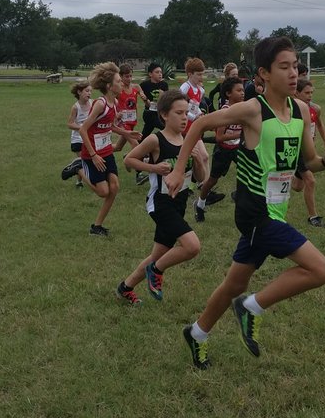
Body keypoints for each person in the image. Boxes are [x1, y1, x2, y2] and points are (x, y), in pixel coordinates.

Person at [165, 36, 325, 370]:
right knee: (321, 269)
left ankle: (198, 333)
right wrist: (179, 170)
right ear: (263, 73)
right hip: (255, 212)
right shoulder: (252, 110)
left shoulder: (301, 110)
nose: (293, 73)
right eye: (284, 67)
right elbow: (200, 123)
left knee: (235, 282)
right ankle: (251, 308)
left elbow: (308, 163)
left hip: (276, 208)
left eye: (295, 66)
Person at [116, 91, 207, 306]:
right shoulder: (155, 139)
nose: (185, 118)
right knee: (192, 246)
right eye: (179, 113)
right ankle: (155, 271)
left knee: (157, 255)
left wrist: (198, 161)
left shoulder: (187, 141)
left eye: (186, 113)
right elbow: (129, 160)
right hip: (160, 204)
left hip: (179, 204)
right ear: (164, 115)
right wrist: (153, 167)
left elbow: (200, 178)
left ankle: (125, 287)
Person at [79, 61, 135, 236]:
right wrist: (94, 155)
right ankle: (78, 170)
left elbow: (108, 126)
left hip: (106, 152)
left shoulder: (115, 103)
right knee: (103, 192)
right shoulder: (100, 104)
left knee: (115, 187)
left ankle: (97, 227)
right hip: (92, 154)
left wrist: (127, 134)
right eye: (119, 81)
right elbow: (83, 129)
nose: (121, 84)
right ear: (110, 86)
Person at [194, 76, 243, 221]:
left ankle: (240, 196)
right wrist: (240, 133)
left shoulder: (243, 108)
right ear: (228, 93)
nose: (242, 93)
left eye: (243, 90)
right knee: (212, 180)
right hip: (223, 150)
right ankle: (200, 205)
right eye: (238, 90)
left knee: (249, 175)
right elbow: (220, 137)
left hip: (238, 148)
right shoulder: (225, 111)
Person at [294, 78, 325, 225]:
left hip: (307, 151)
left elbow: (320, 125)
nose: (310, 96)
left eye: (311, 93)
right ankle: (313, 217)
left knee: (297, 186)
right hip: (296, 150)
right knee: (310, 180)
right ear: (296, 93)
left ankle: (283, 176)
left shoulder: (315, 109)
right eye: (306, 93)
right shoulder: (292, 109)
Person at [60, 79, 91, 187]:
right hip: (78, 139)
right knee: (84, 161)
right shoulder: (75, 107)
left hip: (90, 137)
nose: (89, 93)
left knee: (84, 161)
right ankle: (81, 181)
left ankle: (79, 181)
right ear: (79, 92)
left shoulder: (93, 104)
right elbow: (70, 124)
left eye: (90, 91)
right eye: (87, 91)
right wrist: (82, 127)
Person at [114, 63, 142, 158]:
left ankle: (96, 150)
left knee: (118, 147)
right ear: (120, 76)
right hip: (122, 122)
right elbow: (109, 102)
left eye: (130, 76)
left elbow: (147, 103)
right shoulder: (118, 89)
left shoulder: (135, 87)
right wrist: (116, 114)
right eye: (126, 76)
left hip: (132, 121)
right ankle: (138, 169)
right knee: (135, 144)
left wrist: (145, 98)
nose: (129, 79)